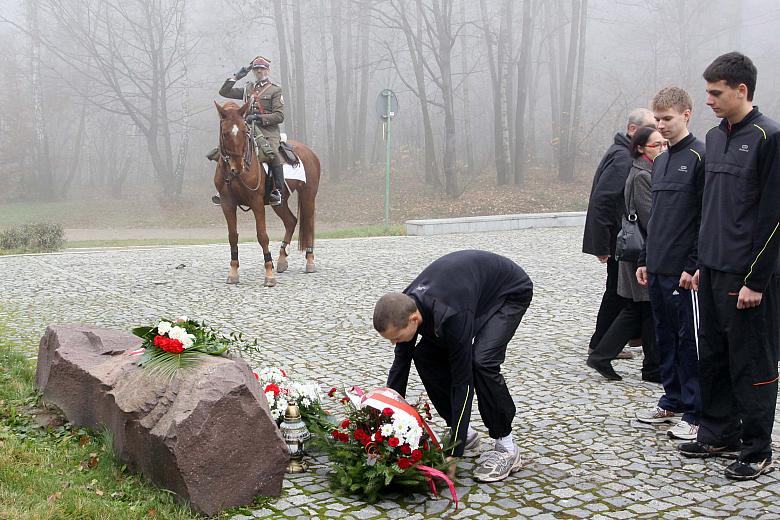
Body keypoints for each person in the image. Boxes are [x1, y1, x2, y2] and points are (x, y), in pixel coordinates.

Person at [677, 52, 780, 481]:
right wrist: (700, 262)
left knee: (752, 363)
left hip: (749, 278)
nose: (708, 100)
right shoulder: (713, 137)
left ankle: (757, 448)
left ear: (742, 90)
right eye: (706, 92)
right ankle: (719, 431)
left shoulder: (769, 137)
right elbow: (707, 208)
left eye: (715, 93)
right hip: (713, 271)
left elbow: (774, 216)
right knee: (713, 357)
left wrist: (756, 279)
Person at [373, 250, 533, 482]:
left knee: (482, 362)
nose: (393, 343)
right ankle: (466, 435)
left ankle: (507, 447)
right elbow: (401, 363)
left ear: (414, 320)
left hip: (509, 292)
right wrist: (388, 417)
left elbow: (462, 383)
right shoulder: (406, 303)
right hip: (467, 291)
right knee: (425, 356)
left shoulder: (453, 315)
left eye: (395, 337)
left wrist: (453, 453)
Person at [634, 87, 704, 440]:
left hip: (683, 272)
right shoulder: (659, 162)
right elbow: (657, 217)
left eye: (667, 119)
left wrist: (694, 264)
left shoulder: (700, 157)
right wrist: (645, 258)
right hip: (658, 266)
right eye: (657, 119)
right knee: (664, 338)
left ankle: (695, 410)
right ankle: (672, 398)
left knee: (689, 340)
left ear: (687, 114)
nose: (661, 126)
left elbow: (703, 218)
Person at [586, 127, 665, 382]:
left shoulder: (648, 170)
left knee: (637, 309)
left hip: (640, 251)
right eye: (656, 145)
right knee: (646, 308)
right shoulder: (641, 174)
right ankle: (652, 369)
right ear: (641, 147)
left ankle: (603, 355)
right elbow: (649, 217)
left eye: (663, 144)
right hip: (639, 253)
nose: (662, 149)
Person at [209, 55, 286, 206]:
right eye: (256, 69)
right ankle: (222, 189)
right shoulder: (248, 88)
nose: (259, 71)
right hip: (247, 129)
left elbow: (280, 115)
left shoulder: (275, 90)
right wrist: (236, 77)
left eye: (262, 68)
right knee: (226, 149)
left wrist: (258, 117)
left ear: (267, 70)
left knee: (272, 153)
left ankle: (278, 191)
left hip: (267, 131)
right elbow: (224, 92)